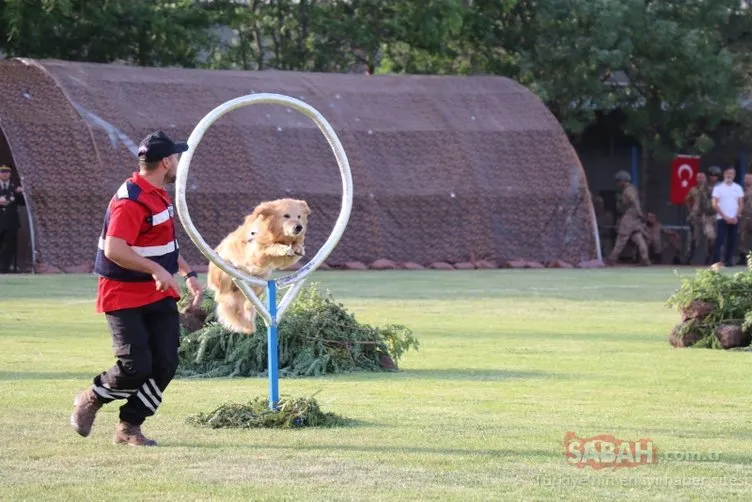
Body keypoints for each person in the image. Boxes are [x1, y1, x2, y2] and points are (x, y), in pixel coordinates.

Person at [70, 130, 203, 446]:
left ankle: (130, 426)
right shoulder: (131, 200)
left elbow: (162, 244)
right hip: (123, 293)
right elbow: (115, 249)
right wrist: (157, 269)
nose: (179, 163)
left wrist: (188, 273)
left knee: (166, 363)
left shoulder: (158, 194)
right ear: (167, 162)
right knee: (135, 367)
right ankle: (92, 397)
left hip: (158, 292)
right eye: (177, 158)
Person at [606, 170, 649, 266]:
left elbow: (633, 201)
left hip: (630, 216)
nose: (617, 183)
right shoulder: (631, 189)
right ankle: (645, 259)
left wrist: (639, 212)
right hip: (634, 216)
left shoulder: (628, 190)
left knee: (622, 237)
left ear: (622, 180)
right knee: (638, 237)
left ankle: (612, 258)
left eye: (618, 181)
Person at [711, 165, 744, 267]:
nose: (729, 175)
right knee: (720, 240)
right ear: (724, 174)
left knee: (732, 241)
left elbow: (741, 203)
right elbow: (714, 204)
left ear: (734, 175)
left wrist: (736, 216)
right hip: (721, 218)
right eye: (728, 173)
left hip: (734, 219)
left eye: (732, 173)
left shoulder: (738, 188)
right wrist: (725, 217)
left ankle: (728, 261)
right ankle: (716, 262)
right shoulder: (718, 188)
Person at [0, 164, 25, 273]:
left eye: (6, 172)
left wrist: (22, 193)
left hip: (11, 221)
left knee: (9, 245)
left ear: (10, 173)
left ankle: (5, 268)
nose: (4, 174)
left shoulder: (15, 186)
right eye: (2, 171)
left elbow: (22, 203)